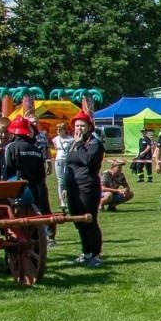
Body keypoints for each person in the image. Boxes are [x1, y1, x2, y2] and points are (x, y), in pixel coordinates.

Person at [63, 111, 106, 266]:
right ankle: (86, 252)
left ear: (89, 127)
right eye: (76, 126)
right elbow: (69, 165)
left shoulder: (94, 143)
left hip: (87, 186)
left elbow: (87, 160)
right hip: (73, 186)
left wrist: (80, 143)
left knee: (89, 220)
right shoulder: (74, 144)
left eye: (82, 126)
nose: (78, 129)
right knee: (78, 221)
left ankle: (96, 254)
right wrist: (64, 186)